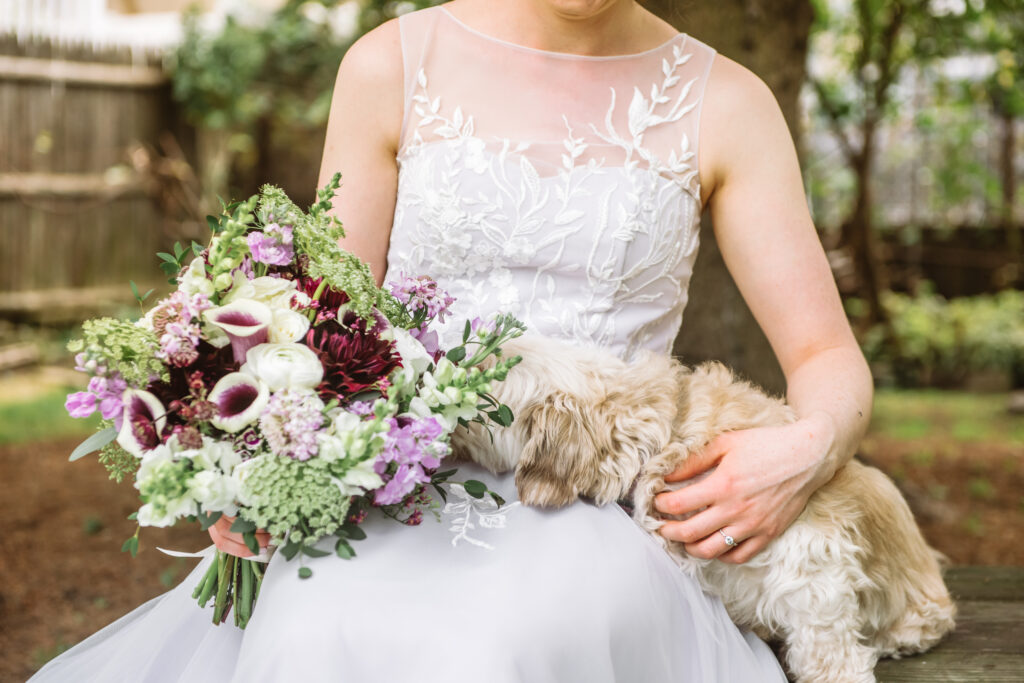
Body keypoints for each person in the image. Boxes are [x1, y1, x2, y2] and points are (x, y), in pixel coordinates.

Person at [31, 1, 872, 681]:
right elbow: (324, 321)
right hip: (388, 485)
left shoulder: (727, 101)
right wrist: (254, 467)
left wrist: (807, 448)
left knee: (498, 649)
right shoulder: (389, 66)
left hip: (590, 499)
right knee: (319, 634)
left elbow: (828, 359)